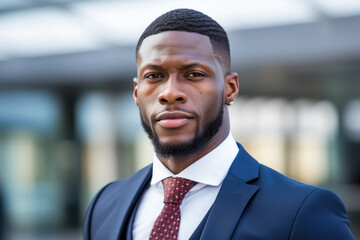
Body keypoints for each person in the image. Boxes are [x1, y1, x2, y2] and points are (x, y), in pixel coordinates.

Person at [83, 8, 355, 240]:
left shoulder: (302, 210)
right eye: (154, 75)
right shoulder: (104, 204)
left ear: (230, 88)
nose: (170, 93)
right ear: (136, 93)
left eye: (194, 74)